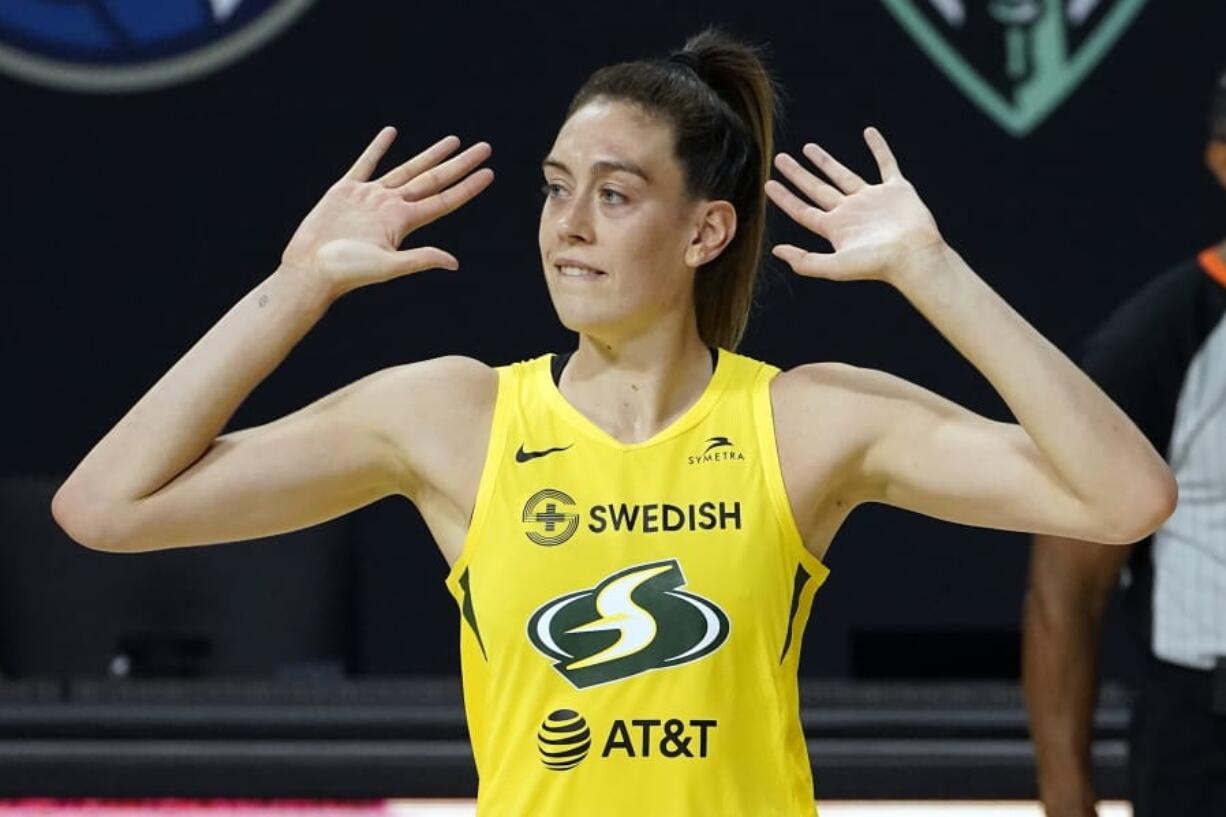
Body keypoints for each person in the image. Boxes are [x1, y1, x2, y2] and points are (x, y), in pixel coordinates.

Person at [51, 27, 1175, 816]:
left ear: (703, 232)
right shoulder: (453, 414)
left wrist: (934, 275)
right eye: (553, 186)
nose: (566, 225)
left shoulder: (805, 418)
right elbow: (105, 507)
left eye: (614, 192)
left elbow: (1123, 496)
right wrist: (297, 286)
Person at [1023, 67, 1226, 817]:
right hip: (1206, 737)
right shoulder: (1154, 343)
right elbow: (1066, 590)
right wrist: (1067, 796)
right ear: (1221, 159)